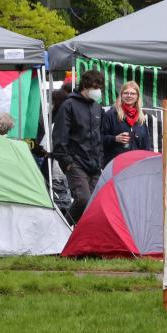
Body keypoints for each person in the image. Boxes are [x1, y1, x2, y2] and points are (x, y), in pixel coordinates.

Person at [52, 70, 105, 222]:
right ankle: (63, 228)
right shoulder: (68, 105)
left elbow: (99, 136)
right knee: (83, 200)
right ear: (85, 86)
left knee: (94, 203)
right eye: (95, 87)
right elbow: (59, 137)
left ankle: (81, 236)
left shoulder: (97, 107)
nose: (97, 91)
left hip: (94, 164)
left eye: (99, 87)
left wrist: (100, 160)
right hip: (75, 162)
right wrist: (67, 163)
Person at [102, 80, 154, 163]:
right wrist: (115, 139)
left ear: (137, 96)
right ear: (121, 95)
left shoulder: (141, 117)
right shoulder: (111, 114)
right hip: (116, 163)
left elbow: (146, 144)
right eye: (126, 93)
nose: (129, 96)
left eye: (133, 93)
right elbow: (100, 139)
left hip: (136, 164)